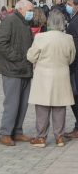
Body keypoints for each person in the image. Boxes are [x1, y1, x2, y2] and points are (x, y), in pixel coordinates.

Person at [27, 10, 75, 148]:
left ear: (48, 22)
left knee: (42, 107)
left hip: (43, 76)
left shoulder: (41, 37)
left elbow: (31, 57)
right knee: (60, 107)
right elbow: (71, 58)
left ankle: (41, 138)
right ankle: (59, 137)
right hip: (62, 76)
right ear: (62, 23)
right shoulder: (68, 38)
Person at [0, 0, 35, 146]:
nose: (32, 12)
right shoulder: (10, 20)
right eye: (30, 10)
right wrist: (17, 57)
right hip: (12, 69)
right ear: (21, 9)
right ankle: (5, 133)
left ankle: (17, 131)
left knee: (23, 103)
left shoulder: (25, 22)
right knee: (12, 103)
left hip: (25, 69)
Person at [64, 0, 78, 138]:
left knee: (74, 97)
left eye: (70, 4)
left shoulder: (75, 22)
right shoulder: (73, 19)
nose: (68, 7)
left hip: (75, 65)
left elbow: (74, 46)